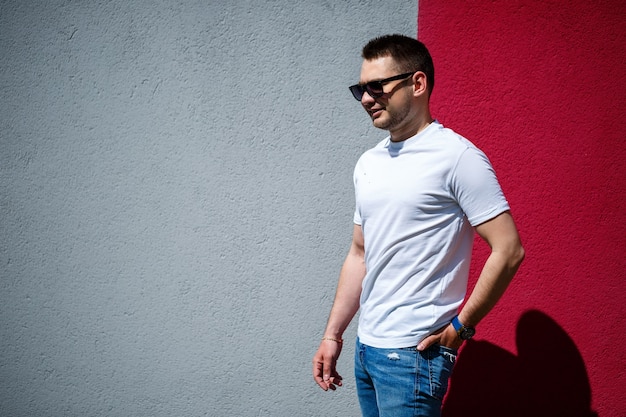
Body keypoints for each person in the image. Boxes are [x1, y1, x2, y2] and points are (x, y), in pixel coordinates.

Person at [312, 34, 525, 416]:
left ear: (417, 83)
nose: (365, 98)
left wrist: (459, 329)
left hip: (413, 357)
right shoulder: (369, 162)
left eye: (376, 86)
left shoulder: (457, 157)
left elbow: (509, 250)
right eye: (360, 88)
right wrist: (334, 334)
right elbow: (360, 253)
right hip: (366, 349)